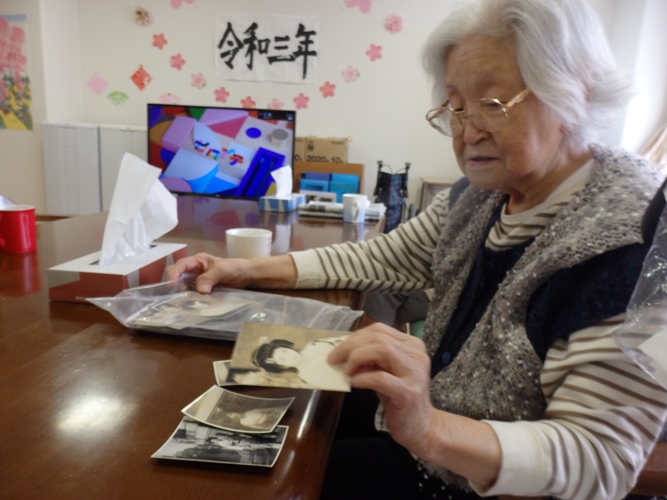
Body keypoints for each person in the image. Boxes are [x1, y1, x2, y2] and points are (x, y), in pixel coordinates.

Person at [166, 0, 667, 498]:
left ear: (575, 90)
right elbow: (379, 257)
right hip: (437, 422)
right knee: (246, 419)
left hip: (470, 480)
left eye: (492, 104)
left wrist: (429, 429)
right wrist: (244, 268)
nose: (467, 132)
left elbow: (601, 459)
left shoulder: (630, 244)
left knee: (260, 482)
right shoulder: (482, 195)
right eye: (456, 107)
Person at [251, 336, 349, 391]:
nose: (290, 356)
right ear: (282, 366)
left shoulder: (312, 344)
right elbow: (343, 385)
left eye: (285, 351)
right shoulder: (309, 376)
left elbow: (346, 338)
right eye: (282, 359)